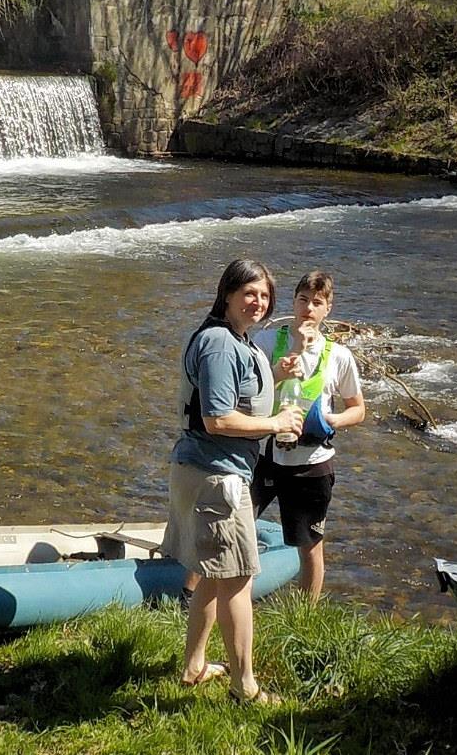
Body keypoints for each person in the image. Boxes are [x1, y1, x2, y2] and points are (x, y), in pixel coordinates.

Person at [162, 259, 303, 703]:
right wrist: (276, 423)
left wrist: (274, 376)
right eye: (249, 293)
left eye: (264, 295)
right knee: (238, 581)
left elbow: (233, 393)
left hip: (201, 470)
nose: (258, 302)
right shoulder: (221, 344)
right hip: (217, 477)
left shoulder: (232, 339)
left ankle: (194, 666)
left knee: (210, 573)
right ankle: (245, 687)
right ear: (227, 294)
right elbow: (218, 418)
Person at [250, 271, 366, 601]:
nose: (308, 309)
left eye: (317, 303)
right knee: (231, 525)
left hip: (312, 464)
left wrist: (332, 419)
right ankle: (191, 596)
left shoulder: (338, 356)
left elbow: (358, 409)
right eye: (303, 300)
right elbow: (248, 393)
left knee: (310, 547)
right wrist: (285, 362)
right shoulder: (266, 342)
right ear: (293, 302)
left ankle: (304, 616)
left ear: (328, 309)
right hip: (265, 456)